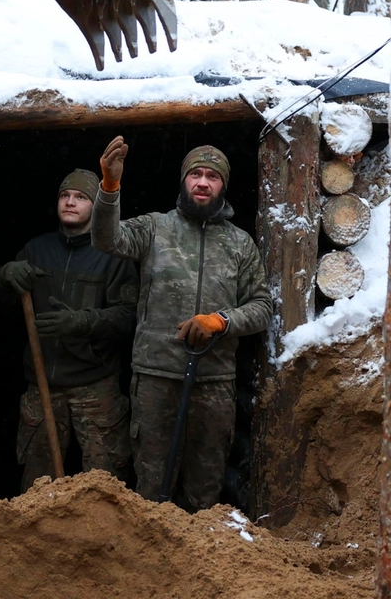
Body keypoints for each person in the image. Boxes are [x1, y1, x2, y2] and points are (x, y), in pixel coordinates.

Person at [92, 137, 273, 511]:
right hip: (156, 378)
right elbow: (107, 239)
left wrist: (222, 321)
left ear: (223, 185)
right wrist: (109, 188)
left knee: (205, 488)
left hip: (214, 383)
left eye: (212, 176)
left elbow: (262, 307)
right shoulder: (155, 228)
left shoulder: (240, 244)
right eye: (195, 174)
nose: (202, 182)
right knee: (152, 485)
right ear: (183, 181)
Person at [0, 169, 138, 491]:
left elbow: (129, 317)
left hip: (95, 387)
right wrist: (3, 277)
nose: (70, 202)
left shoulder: (114, 256)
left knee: (107, 485)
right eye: (64, 196)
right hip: (42, 386)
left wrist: (82, 322)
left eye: (81, 197)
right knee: (37, 485)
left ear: (96, 206)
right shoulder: (35, 250)